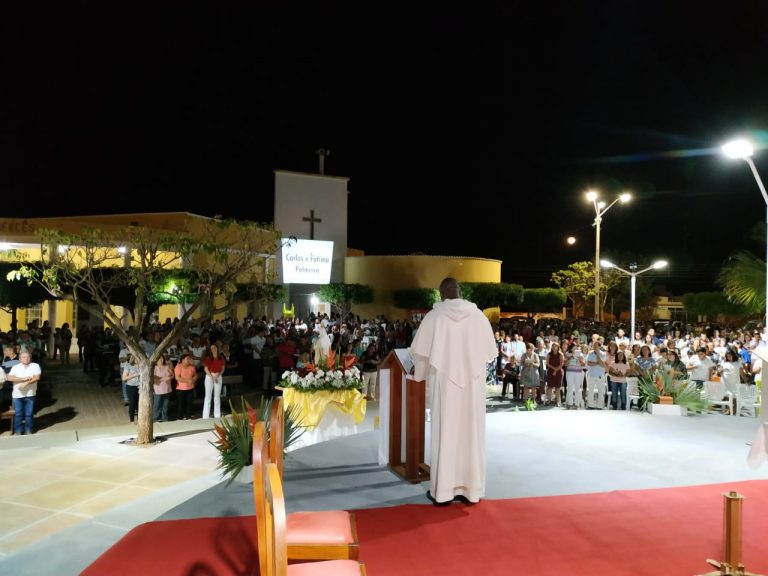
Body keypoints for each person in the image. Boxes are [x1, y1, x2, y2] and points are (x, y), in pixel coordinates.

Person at [409, 277, 497, 506]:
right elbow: (488, 353)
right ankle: (471, 490)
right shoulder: (478, 317)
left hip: (445, 385)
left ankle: (444, 492)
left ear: (441, 294)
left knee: (445, 431)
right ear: (460, 292)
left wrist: (417, 375)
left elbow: (421, 356)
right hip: (472, 386)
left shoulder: (434, 317)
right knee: (471, 432)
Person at [8, 350, 42, 435]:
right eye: (23, 357)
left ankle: (28, 429)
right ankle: (18, 430)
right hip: (17, 394)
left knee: (29, 413)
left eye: (27, 357)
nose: (26, 359)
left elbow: (37, 377)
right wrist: (22, 379)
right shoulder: (16, 367)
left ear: (30, 358)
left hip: (30, 393)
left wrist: (26, 383)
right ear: (20, 359)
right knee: (18, 413)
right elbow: (9, 378)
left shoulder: (35, 366)